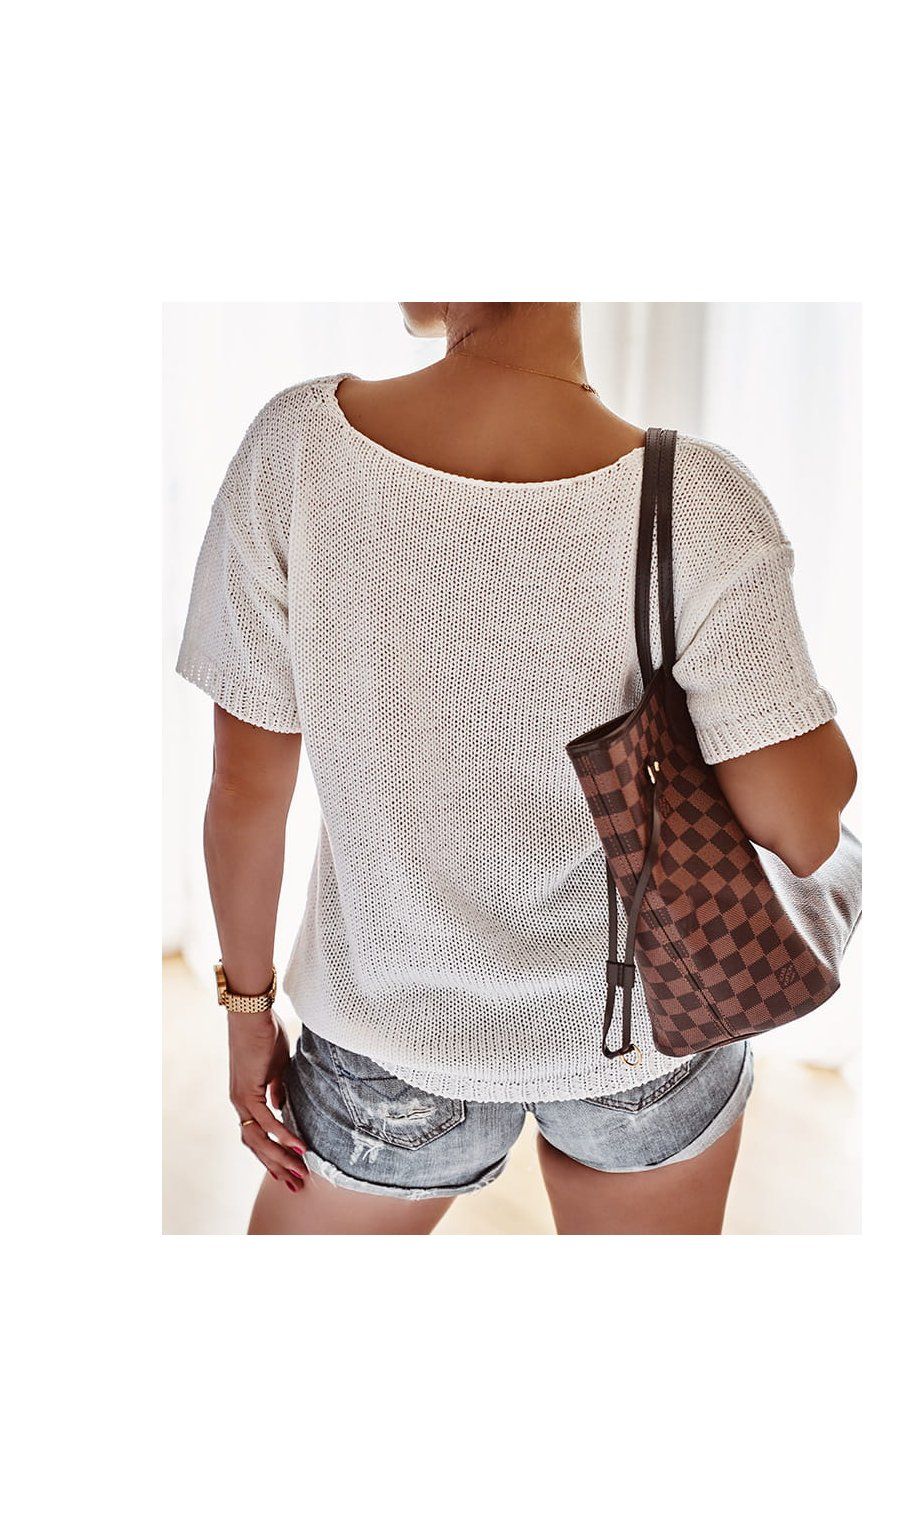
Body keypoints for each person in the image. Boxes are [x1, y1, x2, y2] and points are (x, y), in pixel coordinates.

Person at [174, 301, 857, 1235]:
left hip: (386, 1038)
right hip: (645, 1031)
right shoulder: (694, 498)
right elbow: (804, 828)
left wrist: (247, 1011)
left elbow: (245, 789)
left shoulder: (296, 447)